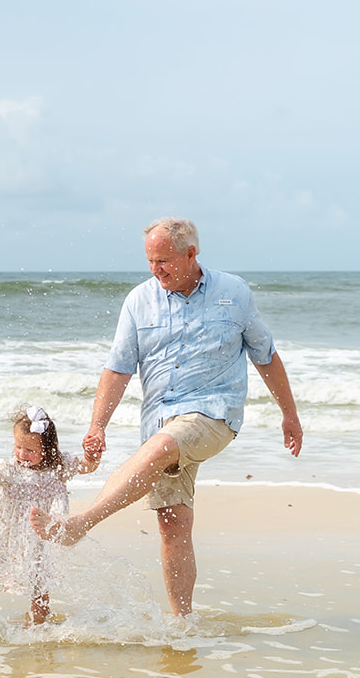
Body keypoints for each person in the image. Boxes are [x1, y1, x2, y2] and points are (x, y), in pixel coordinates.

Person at [30, 218, 303, 615]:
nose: (155, 270)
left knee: (162, 446)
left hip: (214, 414)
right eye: (150, 261)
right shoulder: (139, 300)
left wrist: (289, 415)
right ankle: (182, 624)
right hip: (159, 419)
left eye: (163, 261)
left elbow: (266, 355)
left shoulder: (234, 293)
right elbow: (118, 368)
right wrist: (97, 425)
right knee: (173, 524)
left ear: (191, 254)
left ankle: (80, 524)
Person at [0, 407, 98, 625]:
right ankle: (39, 621)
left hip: (46, 530)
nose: (22, 454)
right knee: (30, 578)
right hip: (18, 533)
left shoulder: (59, 466)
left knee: (40, 580)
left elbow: (87, 467)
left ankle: (39, 622)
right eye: (18, 447)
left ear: (48, 449)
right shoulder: (11, 469)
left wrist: (92, 456)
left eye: (30, 450)